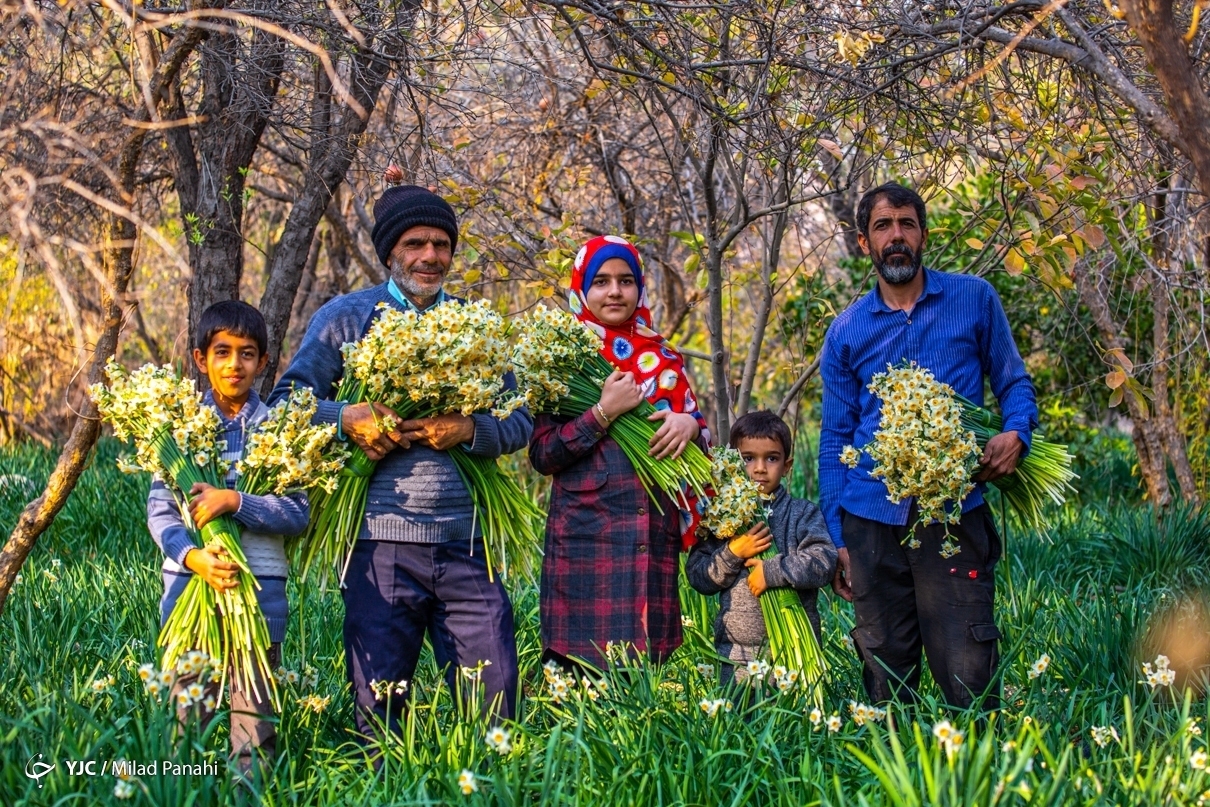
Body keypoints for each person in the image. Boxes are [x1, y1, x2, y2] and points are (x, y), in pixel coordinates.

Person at [269, 181, 531, 734]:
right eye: (416, 244)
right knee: (378, 704)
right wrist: (347, 418)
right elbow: (285, 405)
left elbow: (521, 419)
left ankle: (486, 784)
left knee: (496, 690)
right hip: (379, 543)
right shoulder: (347, 317)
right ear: (390, 251)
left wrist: (470, 429)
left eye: (441, 244)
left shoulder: (475, 325)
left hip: (468, 538)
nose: (430, 257)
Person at [819, 182, 1038, 711]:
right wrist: (835, 538)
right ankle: (892, 782)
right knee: (884, 668)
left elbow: (1014, 381)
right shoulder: (846, 331)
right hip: (870, 520)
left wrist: (1018, 432)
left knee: (968, 667)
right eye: (883, 226)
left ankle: (974, 778)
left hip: (954, 510)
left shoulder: (974, 299)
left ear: (923, 233)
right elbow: (834, 439)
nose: (896, 236)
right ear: (864, 242)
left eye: (907, 224)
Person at [530, 235, 709, 672]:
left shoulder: (663, 355)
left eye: (626, 281)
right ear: (582, 288)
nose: (615, 291)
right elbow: (543, 455)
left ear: (639, 288)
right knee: (579, 688)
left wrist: (691, 426)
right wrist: (602, 412)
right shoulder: (562, 361)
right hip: (587, 548)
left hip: (650, 543)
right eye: (602, 281)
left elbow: (696, 441)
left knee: (645, 684)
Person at [148, 300, 309, 773]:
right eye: (222, 352)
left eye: (247, 353)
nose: (234, 365)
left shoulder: (281, 431)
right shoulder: (176, 429)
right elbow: (160, 511)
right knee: (185, 724)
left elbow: (298, 512)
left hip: (259, 601)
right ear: (201, 360)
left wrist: (236, 503)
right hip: (188, 595)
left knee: (255, 731)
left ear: (263, 361)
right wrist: (192, 557)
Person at [686, 410, 836, 684]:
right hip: (736, 654)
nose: (759, 468)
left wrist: (772, 572)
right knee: (740, 722)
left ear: (787, 466)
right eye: (748, 458)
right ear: (732, 462)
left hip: (796, 650)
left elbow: (823, 561)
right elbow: (698, 576)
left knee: (794, 722)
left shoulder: (801, 514)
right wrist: (732, 553)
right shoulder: (720, 516)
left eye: (772, 458)